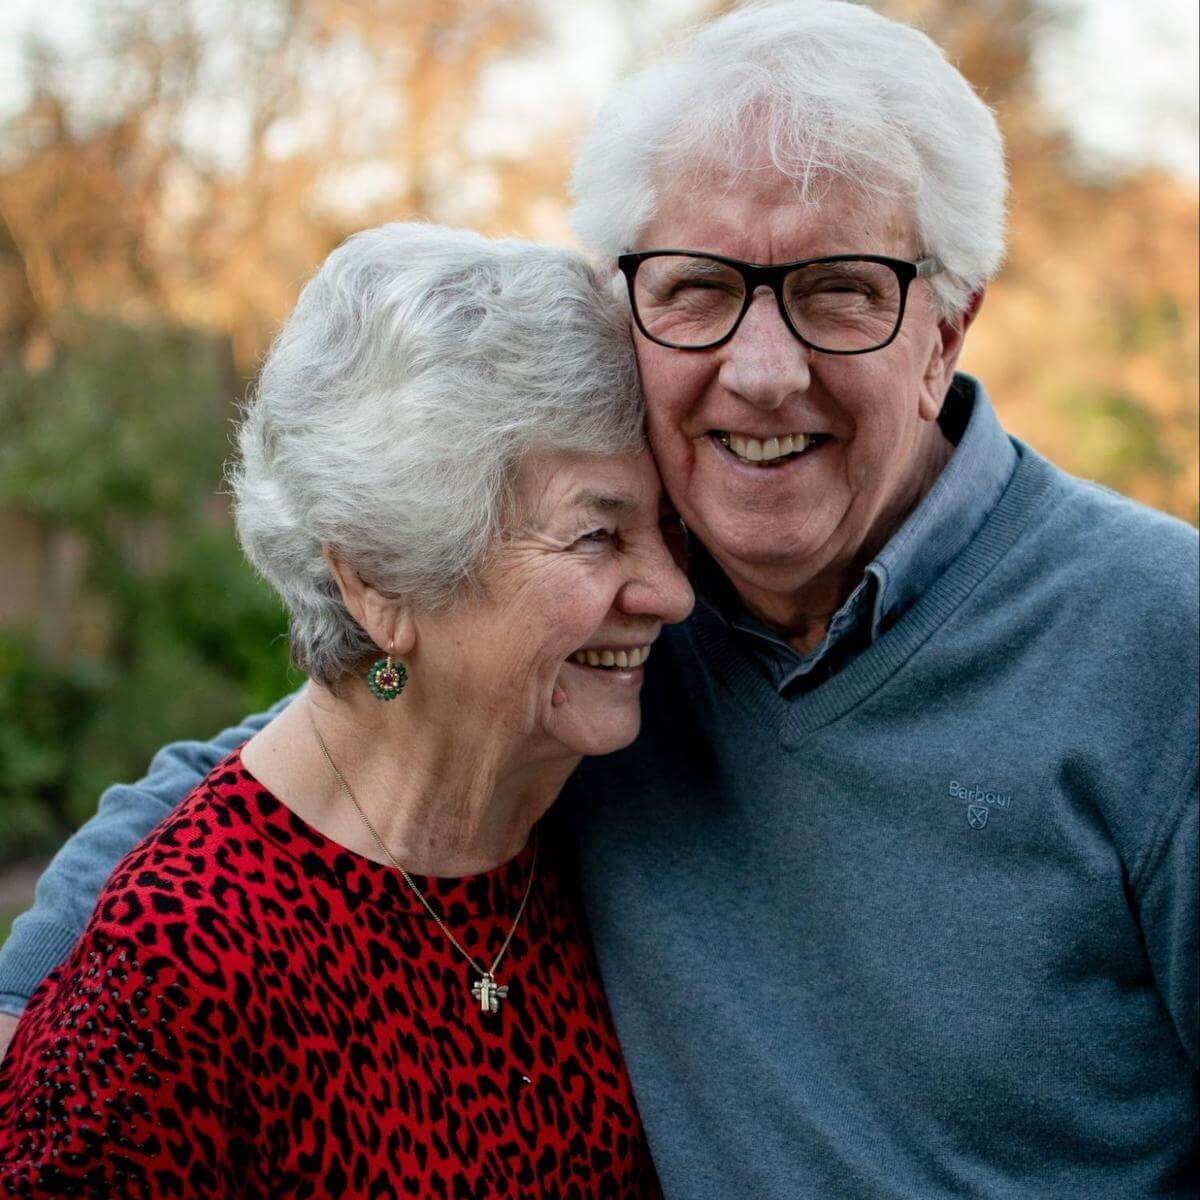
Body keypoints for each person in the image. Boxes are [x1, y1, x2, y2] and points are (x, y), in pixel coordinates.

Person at [2, 2, 1197, 1196]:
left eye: (841, 290)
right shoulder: (630, 631)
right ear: (635, 306)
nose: (764, 371)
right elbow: (330, 747)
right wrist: (44, 1015)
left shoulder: (1159, 645)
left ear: (948, 324)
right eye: (699, 288)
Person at [0, 222, 693, 1196]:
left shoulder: (577, 823)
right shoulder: (179, 965)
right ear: (376, 581)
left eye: (666, 529)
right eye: (596, 536)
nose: (672, 592)